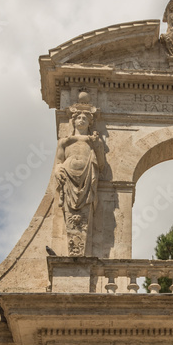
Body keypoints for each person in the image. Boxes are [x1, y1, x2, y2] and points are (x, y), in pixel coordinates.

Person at [55, 92, 103, 255]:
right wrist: (58, 169)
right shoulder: (65, 141)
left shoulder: (93, 140)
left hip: (87, 176)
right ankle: (75, 249)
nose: (81, 120)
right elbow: (59, 161)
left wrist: (97, 146)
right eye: (78, 118)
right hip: (69, 175)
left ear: (90, 122)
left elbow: (101, 163)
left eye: (85, 118)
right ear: (73, 120)